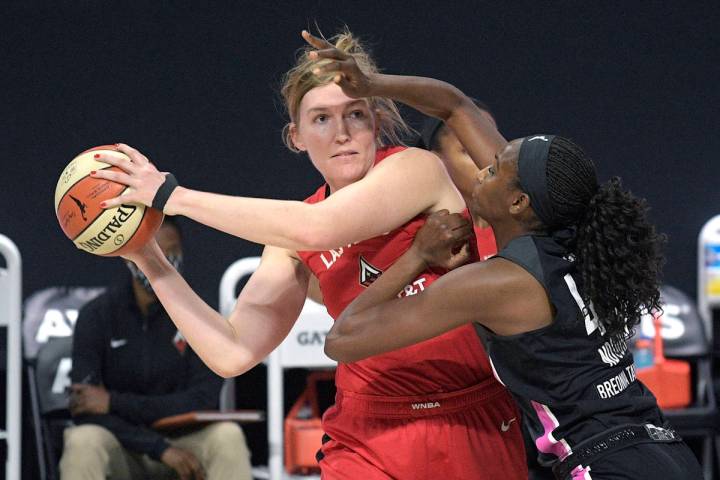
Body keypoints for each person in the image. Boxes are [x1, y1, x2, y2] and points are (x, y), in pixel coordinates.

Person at [88, 29, 527, 479]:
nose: (341, 133)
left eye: (355, 114)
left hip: (467, 416)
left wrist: (171, 196)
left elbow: (322, 227)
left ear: (375, 121)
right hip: (366, 433)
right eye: (321, 119)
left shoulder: (416, 169)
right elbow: (232, 352)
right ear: (296, 136)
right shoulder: (291, 236)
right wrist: (149, 258)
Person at [309, 47, 704, 479]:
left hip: (607, 464)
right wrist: (371, 85)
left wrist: (416, 256)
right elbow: (455, 105)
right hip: (664, 449)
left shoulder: (500, 282)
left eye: (494, 170)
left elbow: (344, 339)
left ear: (517, 201)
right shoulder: (571, 234)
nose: (481, 171)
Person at [60, 217, 252, 480]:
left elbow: (204, 399)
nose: (166, 261)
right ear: (128, 257)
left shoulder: (200, 315)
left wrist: (112, 402)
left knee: (227, 437)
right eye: (156, 253)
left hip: (185, 443)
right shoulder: (97, 315)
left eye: (173, 253)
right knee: (84, 440)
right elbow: (85, 409)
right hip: (123, 445)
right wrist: (158, 448)